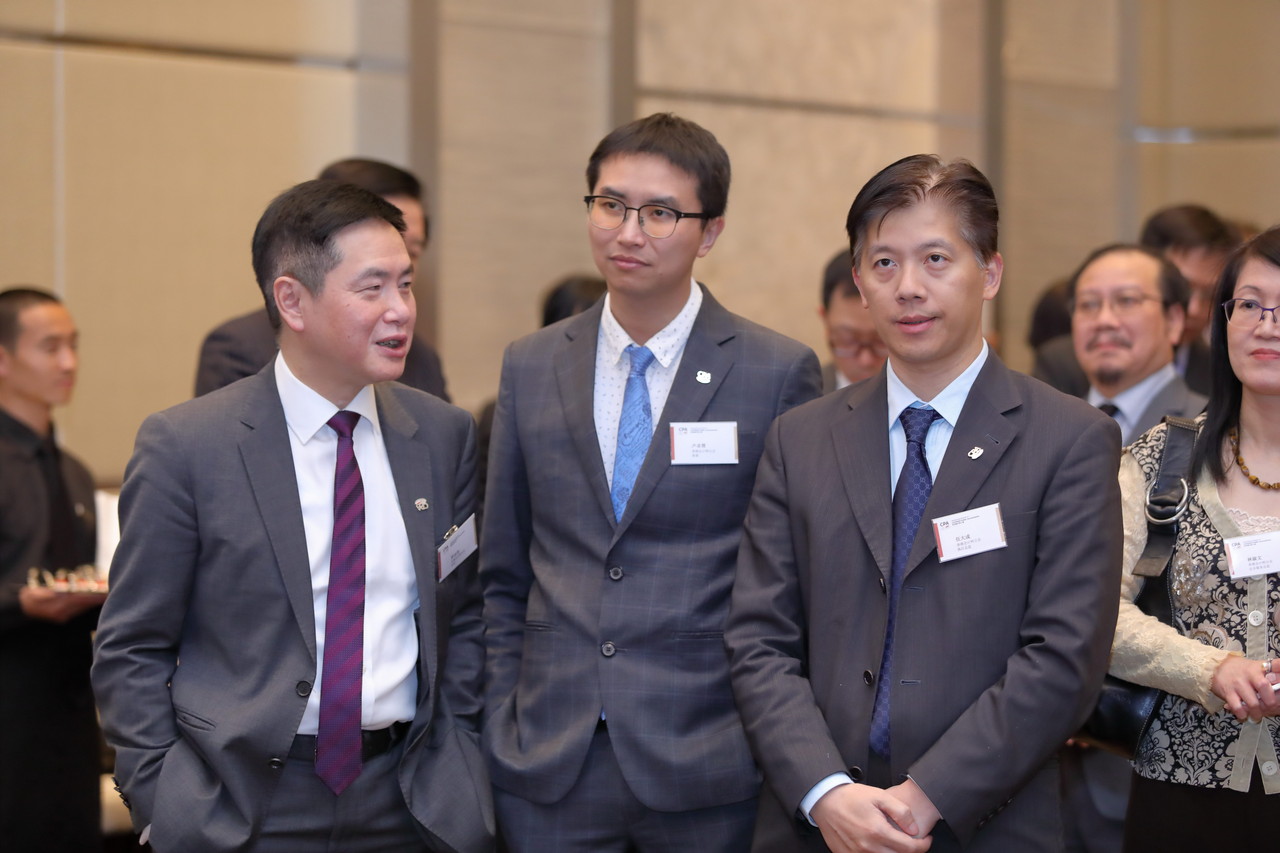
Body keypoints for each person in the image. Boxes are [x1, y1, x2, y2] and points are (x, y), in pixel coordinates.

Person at [725, 154, 1124, 852]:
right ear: (859, 282)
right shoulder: (800, 438)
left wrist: (924, 797)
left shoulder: (1069, 439)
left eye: (936, 259)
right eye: (884, 263)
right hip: (819, 826)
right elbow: (760, 640)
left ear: (990, 272)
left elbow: (1064, 658)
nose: (908, 287)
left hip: (988, 823)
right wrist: (826, 791)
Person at [92, 181, 492, 853]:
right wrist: (162, 798)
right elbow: (131, 644)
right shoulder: (190, 445)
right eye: (372, 288)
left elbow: (466, 617)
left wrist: (464, 760)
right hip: (241, 804)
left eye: (406, 284)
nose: (400, 310)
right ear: (291, 300)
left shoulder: (442, 435)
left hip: (409, 799)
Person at [480, 112, 821, 852]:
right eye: (611, 205)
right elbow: (504, 569)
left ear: (710, 230)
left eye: (660, 213)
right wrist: (503, 714)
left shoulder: (773, 372)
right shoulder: (530, 365)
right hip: (548, 759)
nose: (628, 233)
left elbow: (790, 584)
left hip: (707, 757)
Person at [1108, 226, 1280, 852]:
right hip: (1180, 792)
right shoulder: (1163, 458)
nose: (1267, 325)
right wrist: (1209, 669)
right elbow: (1096, 611)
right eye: (1250, 304)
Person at [1056, 244, 1206, 852]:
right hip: (1039, 762)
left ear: (1175, 319)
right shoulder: (1045, 426)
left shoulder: (1214, 436)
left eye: (1126, 301)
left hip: (1164, 750)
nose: (1104, 320)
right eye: (1087, 305)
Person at [194, 157, 450, 400]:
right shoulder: (239, 348)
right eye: (373, 285)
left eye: (412, 251)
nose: (401, 311)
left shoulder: (423, 362)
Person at [0, 288, 104, 853]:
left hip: (69, 702)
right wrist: (19, 601)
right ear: (3, 358)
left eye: (74, 346)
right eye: (50, 347)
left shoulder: (74, 473)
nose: (68, 363)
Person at [1034, 204, 1241, 398]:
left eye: (1209, 295)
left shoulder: (1226, 372)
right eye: (1182, 288)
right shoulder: (1064, 364)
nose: (1193, 308)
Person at [819, 248, 887, 392]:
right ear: (825, 319)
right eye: (848, 340)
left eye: (881, 341)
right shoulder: (801, 397)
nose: (866, 360)